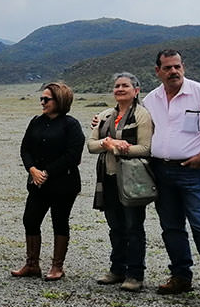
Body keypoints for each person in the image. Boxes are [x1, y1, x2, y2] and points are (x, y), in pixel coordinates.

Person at [143, 49, 200, 307]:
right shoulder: (151, 100)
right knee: (171, 227)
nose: (173, 71)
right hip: (161, 170)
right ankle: (181, 277)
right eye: (167, 67)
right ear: (158, 71)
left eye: (177, 66)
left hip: (193, 171)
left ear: (183, 67)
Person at [12, 82, 84, 281]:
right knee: (30, 219)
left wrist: (46, 172)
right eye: (41, 98)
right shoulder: (36, 121)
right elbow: (25, 148)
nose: (42, 102)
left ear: (59, 100)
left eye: (47, 99)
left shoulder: (71, 124)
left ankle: (57, 267)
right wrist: (32, 169)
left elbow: (72, 154)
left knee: (59, 222)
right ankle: (32, 264)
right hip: (37, 182)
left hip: (64, 184)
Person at [87, 73, 152, 291]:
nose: (120, 89)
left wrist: (114, 146)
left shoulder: (142, 115)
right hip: (108, 178)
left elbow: (145, 148)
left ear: (136, 90)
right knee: (115, 226)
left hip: (132, 179)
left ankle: (135, 274)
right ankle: (117, 269)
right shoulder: (105, 115)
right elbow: (91, 145)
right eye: (116, 86)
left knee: (134, 226)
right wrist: (110, 144)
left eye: (125, 85)